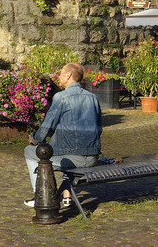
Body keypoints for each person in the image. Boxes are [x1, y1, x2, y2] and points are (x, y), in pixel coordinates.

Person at [23, 62, 101, 208]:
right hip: (92, 157)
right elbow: (99, 128)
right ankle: (66, 196)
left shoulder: (61, 97)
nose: (58, 77)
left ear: (68, 75)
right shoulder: (93, 98)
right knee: (67, 151)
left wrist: (35, 139)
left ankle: (40, 195)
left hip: (72, 159)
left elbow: (48, 126)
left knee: (29, 151)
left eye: (60, 74)